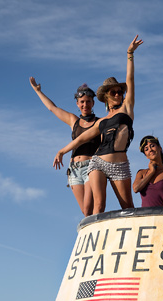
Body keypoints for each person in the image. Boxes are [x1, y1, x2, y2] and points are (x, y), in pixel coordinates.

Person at [54, 36, 143, 215]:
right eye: (114, 92)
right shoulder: (101, 121)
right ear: (107, 96)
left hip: (119, 165)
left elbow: (130, 79)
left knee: (127, 207)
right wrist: (62, 151)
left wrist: (130, 54)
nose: (118, 94)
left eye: (120, 92)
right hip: (98, 162)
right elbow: (81, 139)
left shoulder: (127, 108)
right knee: (99, 205)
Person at [30, 79, 100, 216]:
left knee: (88, 208)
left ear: (93, 103)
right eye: (82, 102)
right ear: (77, 104)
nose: (85, 105)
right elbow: (52, 108)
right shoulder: (74, 121)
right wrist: (38, 91)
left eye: (88, 101)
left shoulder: (99, 122)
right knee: (86, 212)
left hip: (91, 167)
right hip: (74, 169)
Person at [133, 135, 163, 207]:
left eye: (152, 146)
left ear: (160, 148)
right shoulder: (141, 173)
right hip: (145, 213)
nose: (150, 150)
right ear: (146, 155)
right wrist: (151, 172)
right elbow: (136, 188)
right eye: (146, 149)